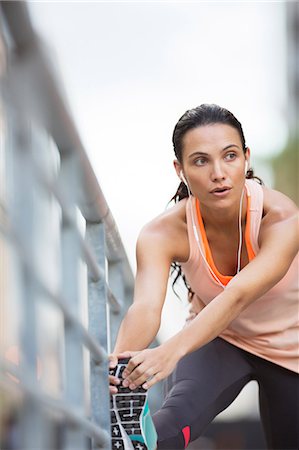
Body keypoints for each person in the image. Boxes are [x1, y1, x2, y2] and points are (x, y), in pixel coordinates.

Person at [109, 104, 299, 450]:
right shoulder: (162, 232)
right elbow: (146, 307)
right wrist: (119, 369)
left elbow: (238, 294)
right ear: (179, 170)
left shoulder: (282, 216)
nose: (218, 173)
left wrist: (169, 352)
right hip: (220, 339)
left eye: (229, 156)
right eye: (200, 161)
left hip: (293, 350)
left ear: (246, 158)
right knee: (168, 427)